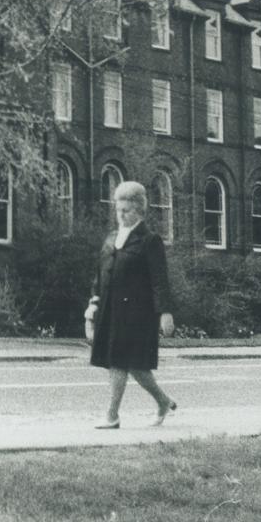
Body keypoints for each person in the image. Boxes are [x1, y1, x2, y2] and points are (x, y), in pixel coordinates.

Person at [87, 180, 176, 428]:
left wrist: (165, 312)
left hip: (138, 313)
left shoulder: (150, 241)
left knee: (120, 362)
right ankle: (163, 401)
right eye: (118, 209)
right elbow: (100, 274)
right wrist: (92, 304)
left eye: (126, 210)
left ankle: (111, 416)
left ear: (139, 210)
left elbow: (160, 280)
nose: (121, 215)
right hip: (111, 311)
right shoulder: (111, 238)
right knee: (134, 366)